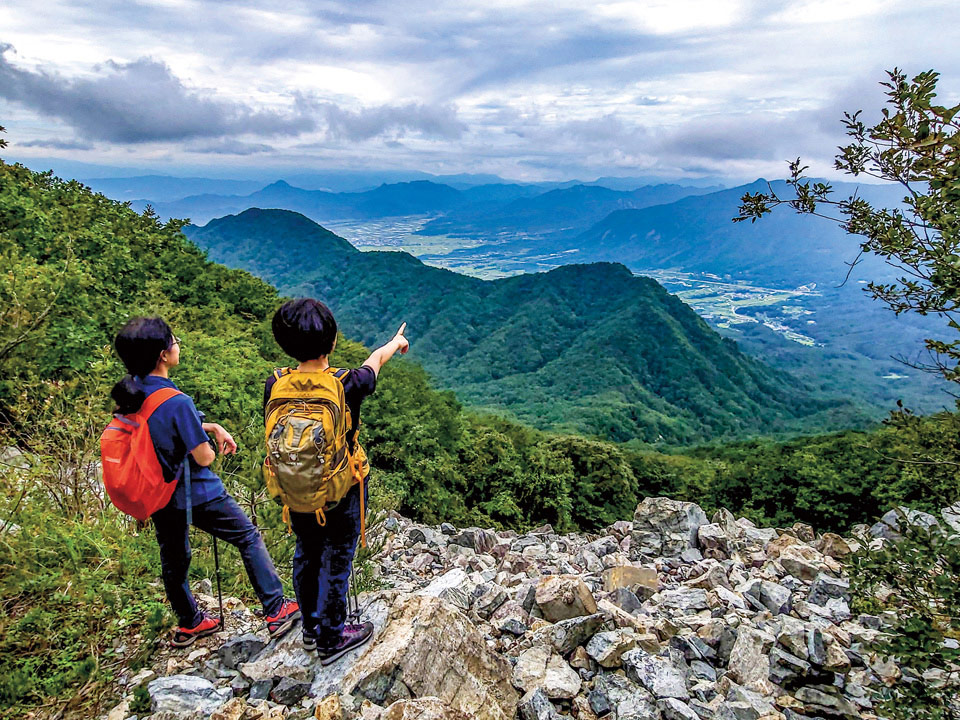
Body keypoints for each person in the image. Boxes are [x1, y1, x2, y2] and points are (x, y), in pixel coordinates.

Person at [110, 316, 300, 647]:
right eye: (174, 340)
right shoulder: (177, 401)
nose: (177, 344)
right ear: (162, 355)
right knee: (247, 536)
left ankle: (190, 622)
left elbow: (160, 428)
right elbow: (204, 457)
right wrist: (208, 441)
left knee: (173, 555)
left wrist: (209, 426)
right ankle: (276, 609)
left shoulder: (132, 392)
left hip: (158, 492)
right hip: (197, 492)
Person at [265, 298, 408, 664]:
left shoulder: (275, 383)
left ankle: (312, 630)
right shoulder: (347, 382)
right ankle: (332, 637)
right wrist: (395, 344)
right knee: (337, 558)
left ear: (284, 344)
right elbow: (373, 363)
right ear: (332, 342)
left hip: (295, 488)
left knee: (307, 552)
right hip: (342, 488)